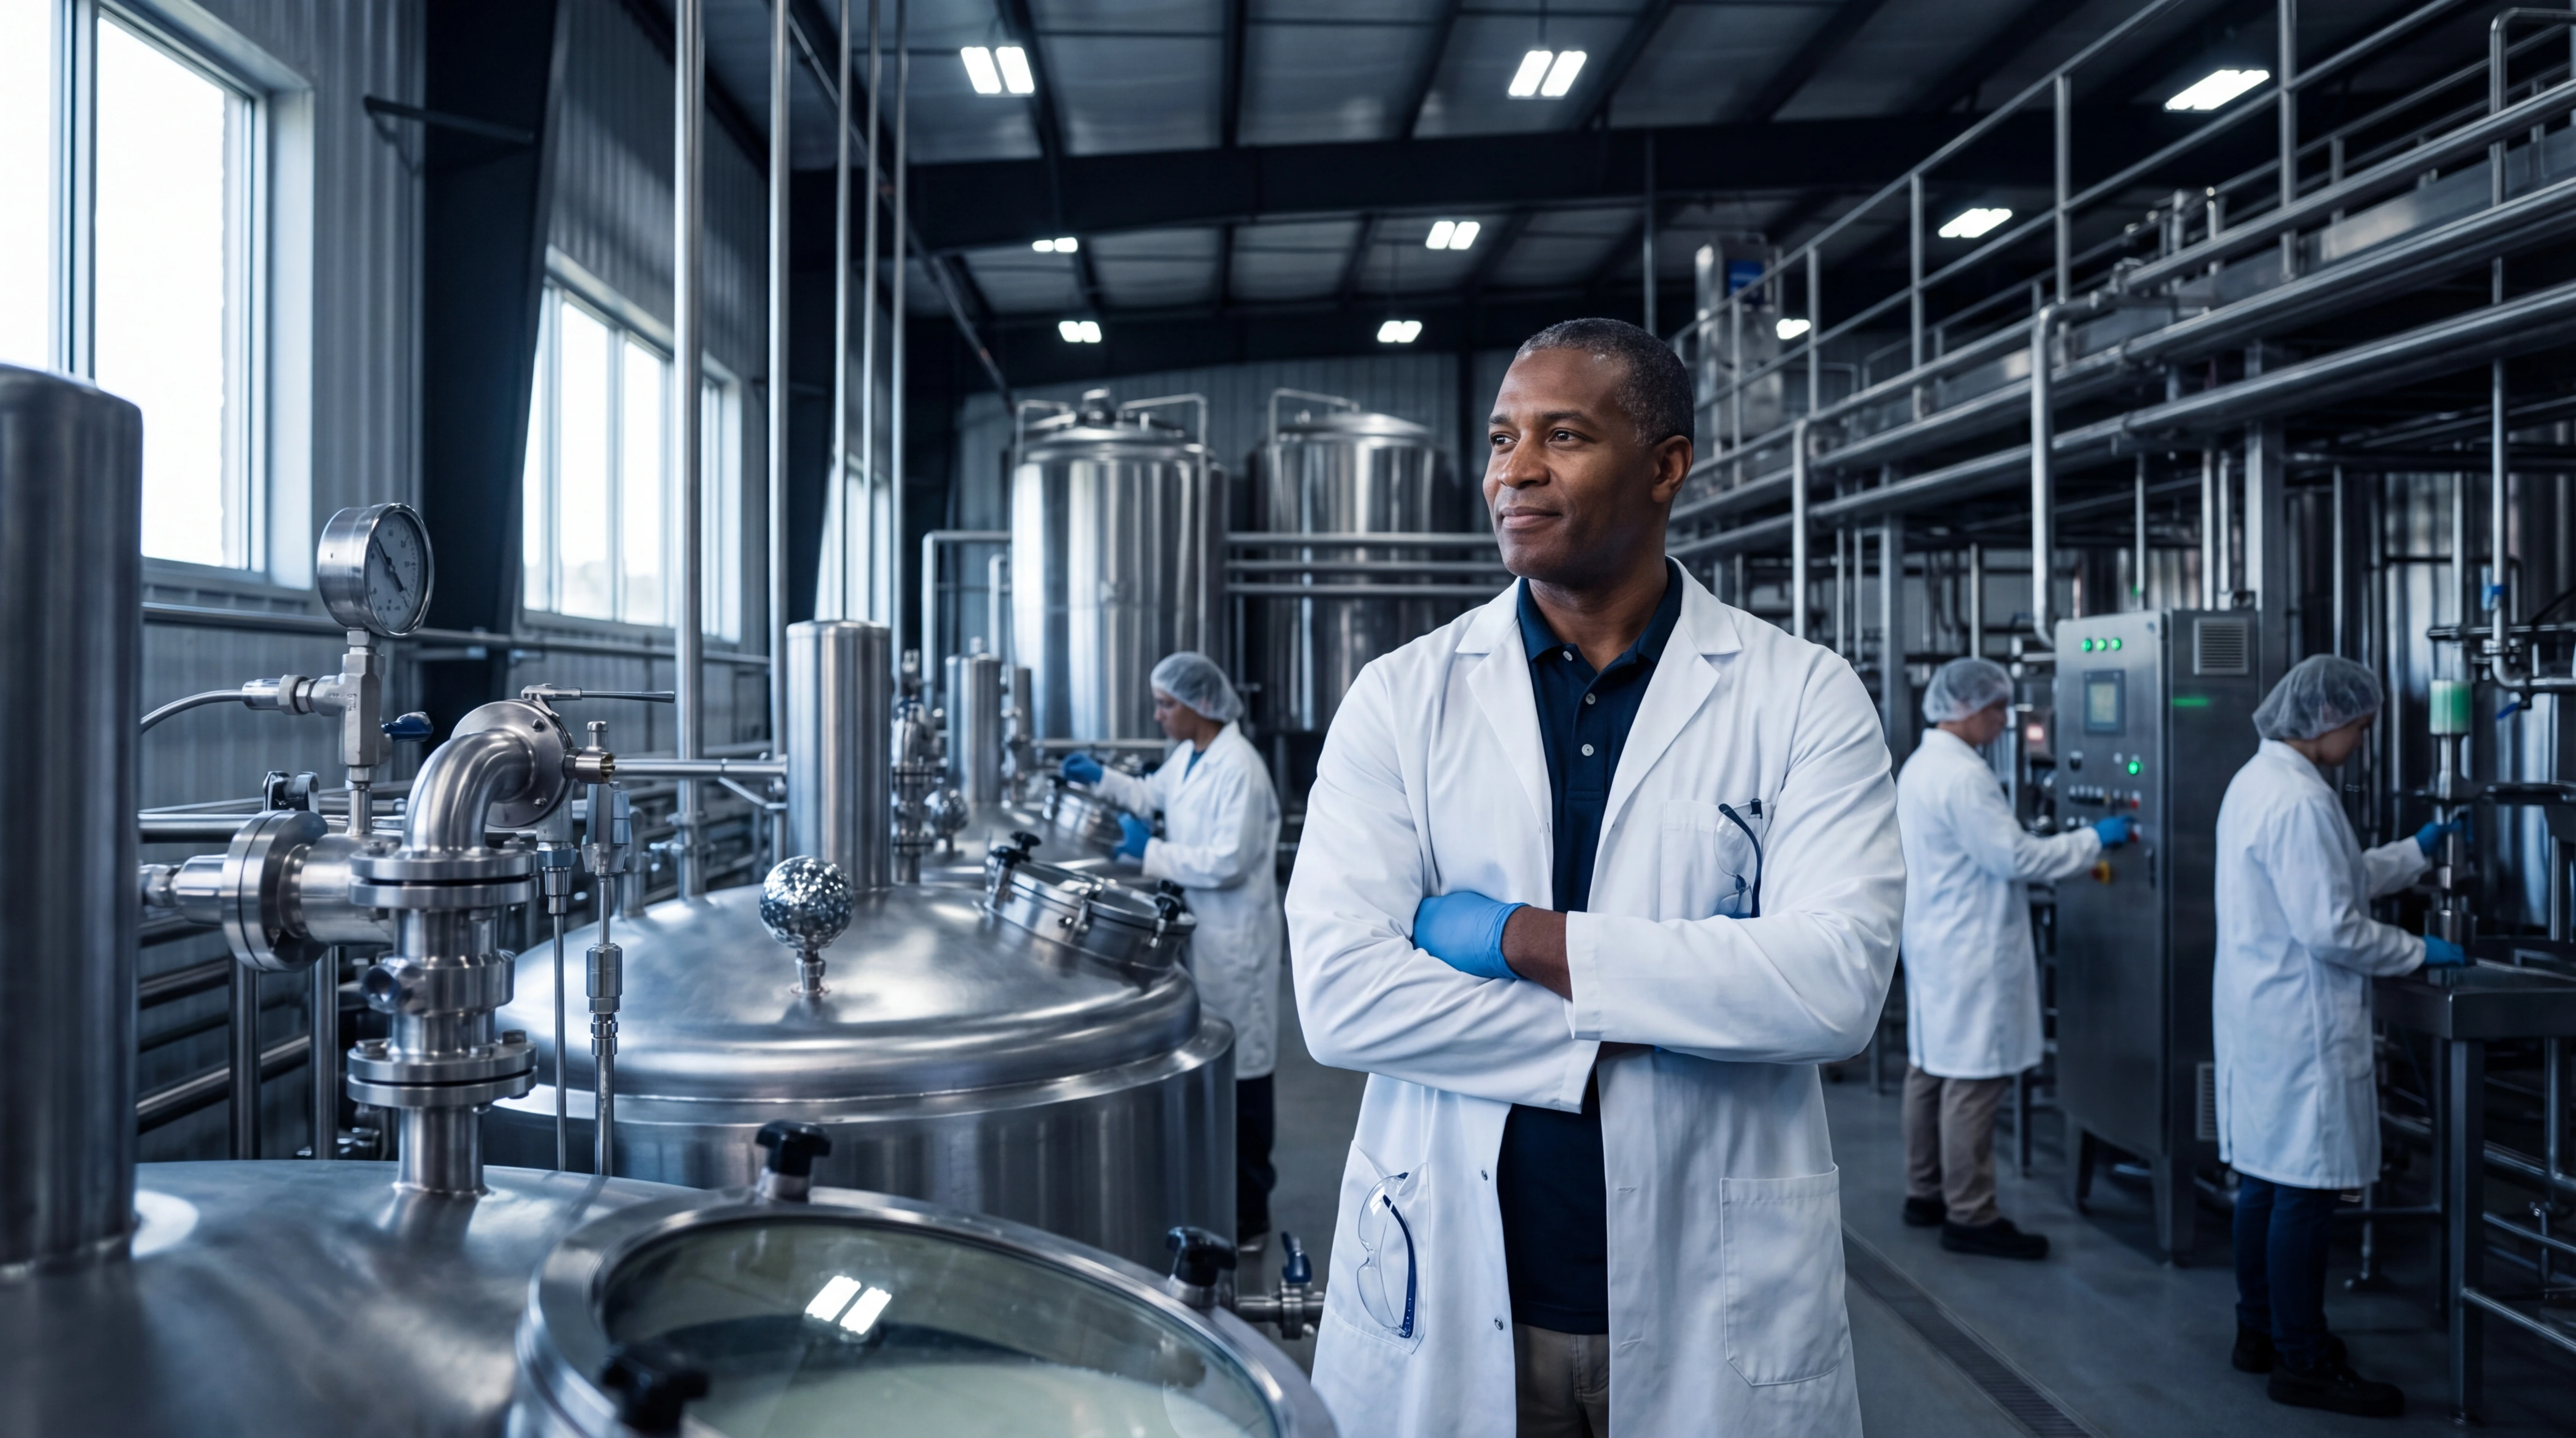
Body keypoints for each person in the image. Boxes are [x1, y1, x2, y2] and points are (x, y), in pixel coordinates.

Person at [1286, 317, 1904, 1438]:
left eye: (1560, 435)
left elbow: (1831, 986)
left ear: (1666, 464)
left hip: (1711, 1297)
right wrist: (1663, 1004)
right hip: (1457, 1287)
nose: (1511, 469)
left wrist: (1523, 937)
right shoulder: (1401, 695)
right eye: (1500, 437)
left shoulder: (1801, 695)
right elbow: (1339, 995)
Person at [2213, 654, 2466, 1418]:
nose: (2359, 741)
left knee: (2261, 1182)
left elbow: (2329, 875)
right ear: (2325, 721)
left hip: (2261, 1021)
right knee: (2302, 1194)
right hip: (2301, 1028)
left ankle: (2256, 1331)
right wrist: (2421, 950)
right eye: (2358, 728)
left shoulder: (2257, 782)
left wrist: (2414, 852)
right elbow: (2329, 925)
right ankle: (2301, 1358)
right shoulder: (2296, 800)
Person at [1896, 657, 2133, 1261]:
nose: (2004, 722)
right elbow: (2015, 859)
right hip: (1970, 948)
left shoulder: (1921, 767)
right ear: (1969, 710)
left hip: (1934, 939)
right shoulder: (1964, 777)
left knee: (1929, 1069)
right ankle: (1970, 1214)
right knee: (1972, 1081)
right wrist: (2090, 841)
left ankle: (1924, 1191)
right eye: (1997, 709)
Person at [1060, 652, 1285, 1251]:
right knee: (1211, 1065)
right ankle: (1217, 1193)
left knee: (1243, 1075)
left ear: (1198, 706)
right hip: (1201, 934)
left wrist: (1149, 854)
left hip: (1235, 939)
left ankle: (1250, 1215)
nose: (1157, 715)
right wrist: (1099, 780)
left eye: (1166, 705)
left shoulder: (1240, 767)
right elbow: (1152, 793)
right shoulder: (1189, 756)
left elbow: (1227, 861)